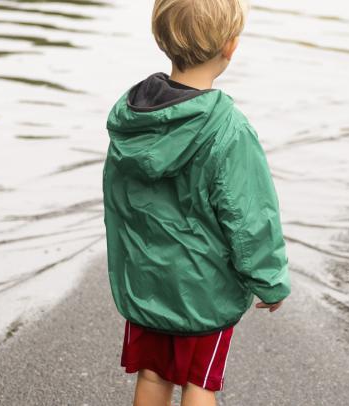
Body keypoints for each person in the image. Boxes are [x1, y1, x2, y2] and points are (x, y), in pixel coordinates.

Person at [102, 0, 290, 404]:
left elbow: (119, 199)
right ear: (231, 46)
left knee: (153, 375)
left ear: (161, 38)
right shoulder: (228, 130)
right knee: (198, 383)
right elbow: (250, 216)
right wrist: (269, 280)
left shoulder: (133, 118)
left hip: (148, 280)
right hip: (204, 289)